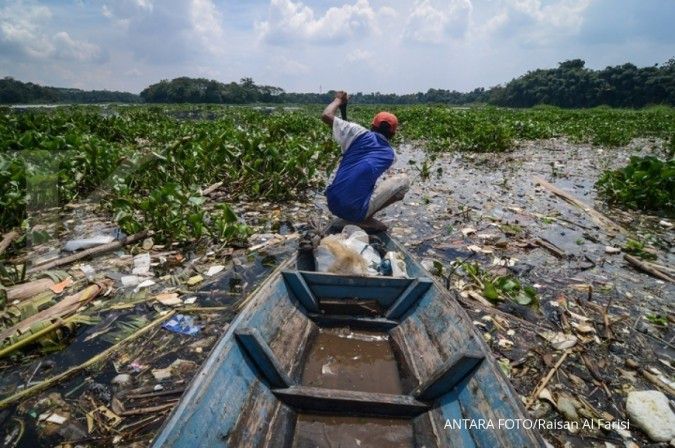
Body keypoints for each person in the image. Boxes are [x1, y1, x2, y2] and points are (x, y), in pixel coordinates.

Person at [321, 91, 409, 232]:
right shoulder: (390, 155)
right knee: (404, 181)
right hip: (354, 210)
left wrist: (338, 100)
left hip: (332, 202)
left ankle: (355, 215)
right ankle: (364, 219)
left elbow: (326, 116)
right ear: (393, 134)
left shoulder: (357, 133)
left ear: (372, 126)